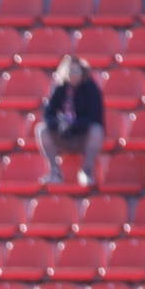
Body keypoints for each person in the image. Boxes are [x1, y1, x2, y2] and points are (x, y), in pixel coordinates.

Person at [36, 54, 106, 188]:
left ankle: (86, 171)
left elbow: (95, 117)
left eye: (76, 71)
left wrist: (74, 125)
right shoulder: (59, 88)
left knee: (97, 131)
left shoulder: (91, 89)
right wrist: (59, 124)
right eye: (70, 71)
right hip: (63, 135)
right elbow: (48, 114)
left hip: (82, 135)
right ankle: (55, 172)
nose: (73, 75)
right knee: (41, 130)